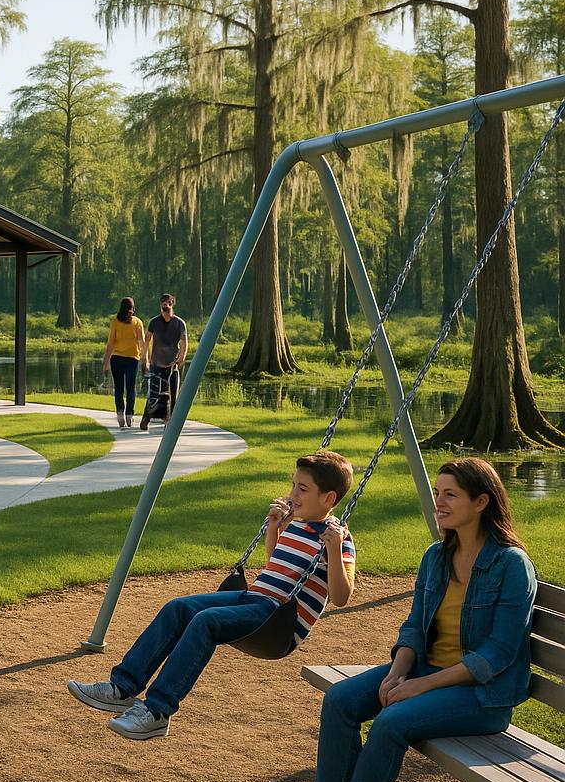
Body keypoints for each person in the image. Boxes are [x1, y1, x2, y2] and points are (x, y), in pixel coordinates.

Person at [281, 457, 537, 782]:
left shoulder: (511, 565)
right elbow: (415, 625)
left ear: (482, 501)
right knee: (340, 699)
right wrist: (398, 672)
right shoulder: (436, 556)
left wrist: (420, 686)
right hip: (428, 670)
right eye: (438, 493)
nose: (440, 502)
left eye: (450, 494)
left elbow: (498, 654)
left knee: (391, 721)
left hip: (484, 696)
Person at [68, 450, 355, 740]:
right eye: (293, 484)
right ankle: (122, 688)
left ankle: (157, 711)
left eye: (302, 489)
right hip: (255, 599)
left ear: (329, 498)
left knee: (206, 621)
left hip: (278, 621)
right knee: (178, 608)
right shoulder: (297, 523)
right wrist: (274, 529)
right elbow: (276, 567)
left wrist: (333, 548)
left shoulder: (338, 538)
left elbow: (341, 596)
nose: (293, 493)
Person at [140, 293, 188, 431]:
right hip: (156, 364)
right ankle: (145, 420)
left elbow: (184, 342)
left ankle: (171, 424)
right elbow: (147, 340)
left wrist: (182, 358)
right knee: (153, 395)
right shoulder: (154, 322)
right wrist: (146, 359)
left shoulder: (179, 323)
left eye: (167, 304)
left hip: (172, 366)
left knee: (174, 395)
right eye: (162, 304)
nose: (165, 307)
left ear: (172, 304)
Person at [102, 297, 147, 429]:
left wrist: (105, 362)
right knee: (131, 387)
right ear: (132, 309)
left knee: (119, 388)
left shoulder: (115, 322)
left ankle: (120, 412)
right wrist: (145, 359)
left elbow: (110, 343)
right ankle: (129, 415)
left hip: (116, 358)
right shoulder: (137, 322)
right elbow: (142, 342)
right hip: (132, 358)